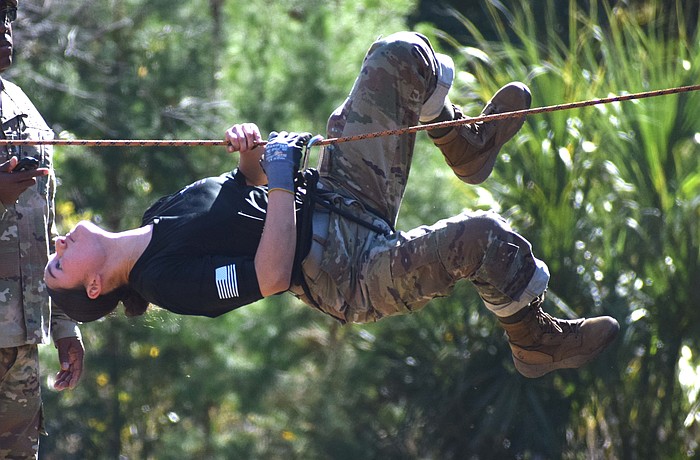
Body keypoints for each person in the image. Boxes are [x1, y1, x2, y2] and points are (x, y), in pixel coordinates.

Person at [45, 31, 618, 380]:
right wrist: (277, 180)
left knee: (400, 55)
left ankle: (464, 146)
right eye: (57, 264)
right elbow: (269, 276)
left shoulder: (158, 216)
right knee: (481, 239)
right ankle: (534, 340)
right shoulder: (165, 283)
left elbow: (241, 192)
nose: (58, 244)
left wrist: (252, 155)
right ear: (94, 287)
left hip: (339, 195)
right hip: (349, 275)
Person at [0, 0, 84, 457]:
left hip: (21, 344)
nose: (3, 27)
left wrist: (66, 323)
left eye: (7, 17)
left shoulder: (19, 103)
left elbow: (43, 226)